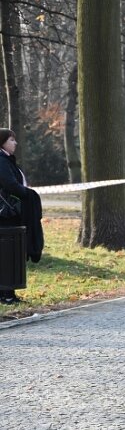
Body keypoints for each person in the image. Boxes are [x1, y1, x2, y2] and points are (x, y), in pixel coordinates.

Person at [0, 128, 43, 305]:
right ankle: (6, 294)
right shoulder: (1, 161)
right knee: (6, 254)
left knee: (10, 254)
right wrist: (28, 194)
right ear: (2, 142)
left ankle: (8, 292)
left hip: (12, 215)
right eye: (11, 140)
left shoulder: (7, 160)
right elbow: (10, 184)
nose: (15, 143)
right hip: (6, 216)